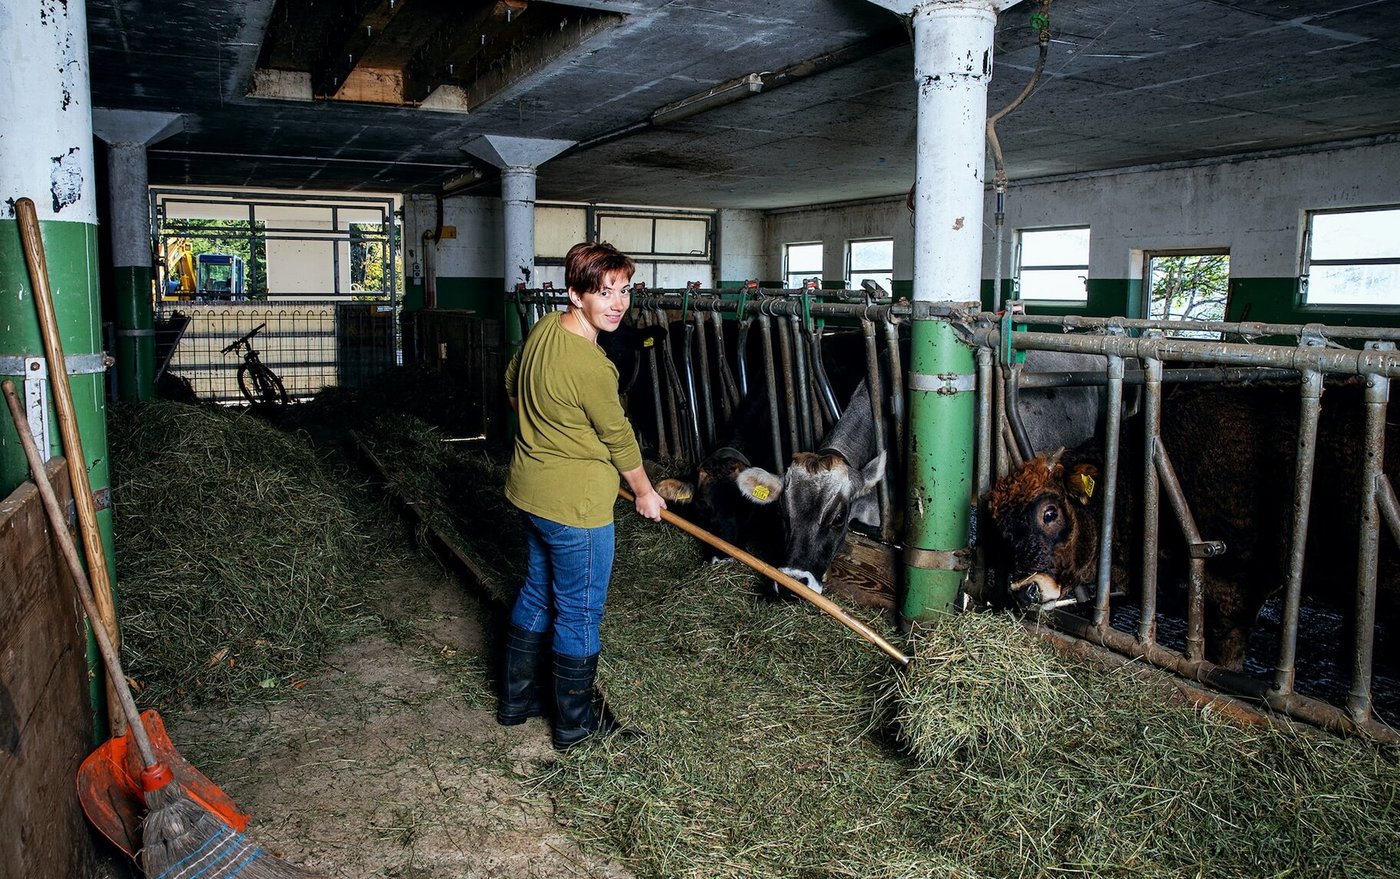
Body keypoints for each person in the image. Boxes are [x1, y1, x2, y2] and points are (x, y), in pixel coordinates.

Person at [498, 240, 666, 750]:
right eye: (603, 291)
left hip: (531, 492)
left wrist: (548, 429)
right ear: (575, 294)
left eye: (624, 290)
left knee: (536, 592)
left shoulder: (545, 328)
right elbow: (618, 437)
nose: (617, 303)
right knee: (579, 611)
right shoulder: (592, 368)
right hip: (578, 510)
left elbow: (511, 382)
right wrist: (644, 492)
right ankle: (575, 726)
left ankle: (516, 701)